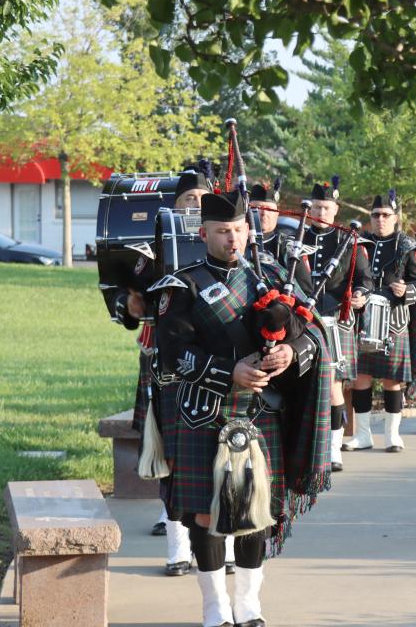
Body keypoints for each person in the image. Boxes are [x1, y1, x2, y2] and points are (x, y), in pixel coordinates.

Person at [156, 191, 331, 627]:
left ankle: (249, 605)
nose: (231, 239)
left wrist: (290, 353)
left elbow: (314, 333)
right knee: (205, 513)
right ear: (203, 234)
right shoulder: (184, 284)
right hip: (204, 413)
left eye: (237, 230)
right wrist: (227, 371)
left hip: (260, 412)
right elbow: (171, 353)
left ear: (248, 230)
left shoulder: (272, 278)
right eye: (221, 232)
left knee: (256, 513)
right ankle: (215, 608)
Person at [110, 169, 213, 576]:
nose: (194, 207)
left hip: (216, 364)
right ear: (174, 205)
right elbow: (123, 292)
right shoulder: (151, 250)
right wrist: (130, 306)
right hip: (164, 363)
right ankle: (177, 549)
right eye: (188, 200)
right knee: (169, 452)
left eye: (202, 200)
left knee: (216, 456)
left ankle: (212, 545)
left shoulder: (226, 246)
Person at [344, 189, 416, 453]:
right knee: (361, 377)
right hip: (363, 318)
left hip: (395, 322)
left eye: (385, 215)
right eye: (376, 215)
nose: (380, 219)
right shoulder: (359, 244)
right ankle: (362, 435)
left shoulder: (408, 247)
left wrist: (407, 291)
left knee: (393, 379)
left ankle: (392, 435)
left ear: (395, 218)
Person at [303, 177, 373, 471]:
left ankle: (333, 450)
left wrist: (360, 295)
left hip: (336, 318)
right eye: (317, 207)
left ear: (335, 210)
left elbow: (364, 280)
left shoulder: (349, 240)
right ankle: (308, 448)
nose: (321, 212)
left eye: (326, 207)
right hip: (302, 318)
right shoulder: (296, 237)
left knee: (332, 386)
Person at [247, 179, 312, 293]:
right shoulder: (236, 242)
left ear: (277, 214)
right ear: (247, 211)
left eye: (270, 209)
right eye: (257, 208)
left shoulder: (289, 247)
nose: (264, 214)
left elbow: (306, 291)